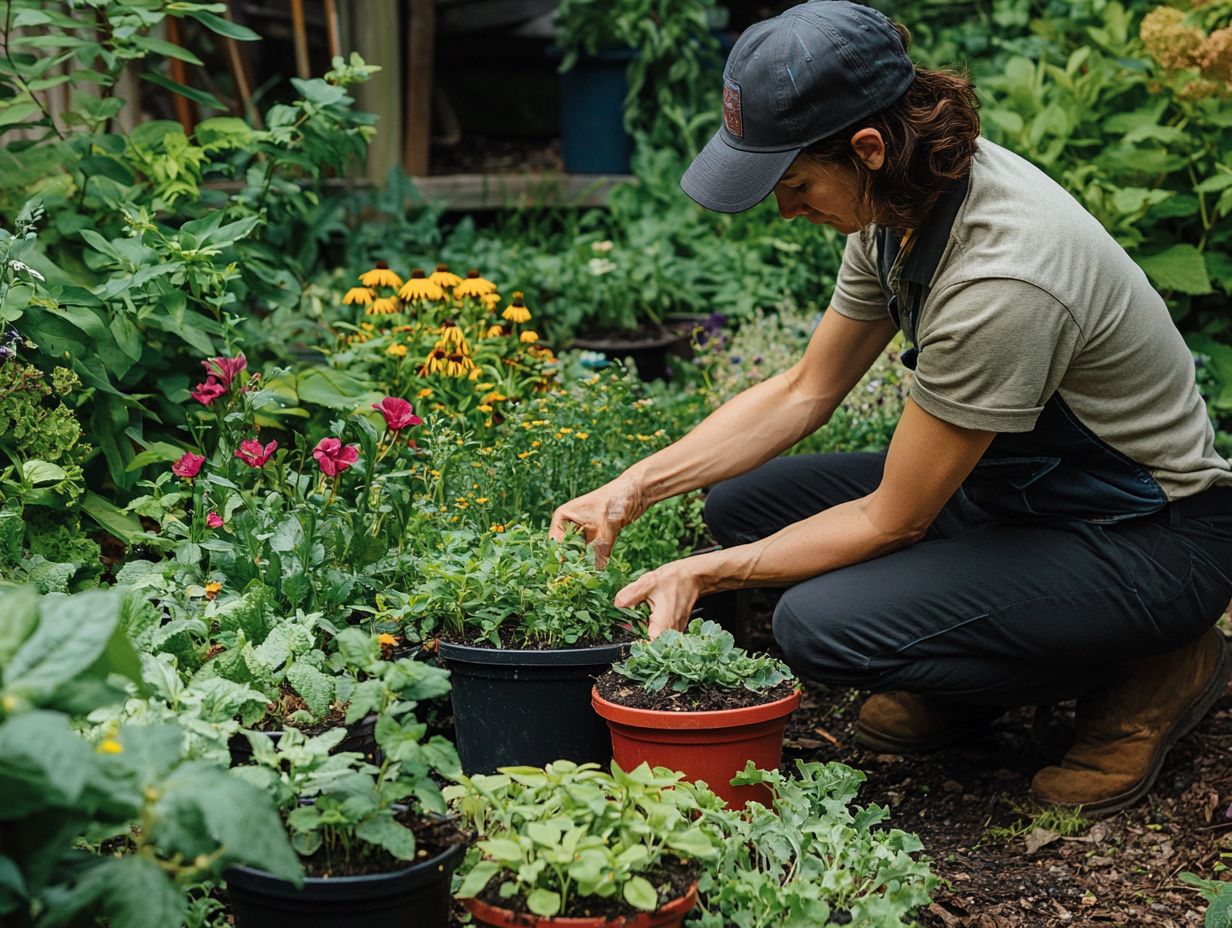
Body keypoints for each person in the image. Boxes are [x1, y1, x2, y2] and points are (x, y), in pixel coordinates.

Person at [548, 0, 1232, 815]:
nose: (786, 209)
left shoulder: (1003, 276)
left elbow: (892, 521)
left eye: (794, 183)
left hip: (1147, 537)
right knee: (742, 505)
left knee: (822, 626)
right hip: (1020, 498)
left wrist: (703, 571)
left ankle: (1152, 665)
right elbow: (806, 389)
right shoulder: (901, 204)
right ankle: (969, 656)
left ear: (866, 147)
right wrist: (636, 485)